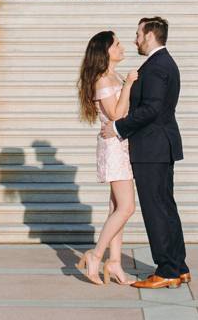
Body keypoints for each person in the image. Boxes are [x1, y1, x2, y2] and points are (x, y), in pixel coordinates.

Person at [102, 15, 190, 289]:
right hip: (161, 145)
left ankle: (166, 270)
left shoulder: (155, 67)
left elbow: (151, 109)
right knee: (165, 206)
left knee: (155, 210)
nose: (135, 39)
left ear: (150, 35)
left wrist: (118, 127)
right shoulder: (164, 63)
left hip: (151, 148)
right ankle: (179, 266)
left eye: (138, 34)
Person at [75, 30, 139, 285]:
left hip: (121, 144)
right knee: (127, 207)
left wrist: (126, 83)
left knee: (116, 207)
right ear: (106, 51)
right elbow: (115, 114)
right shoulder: (103, 80)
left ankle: (114, 262)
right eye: (117, 44)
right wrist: (130, 85)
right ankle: (96, 254)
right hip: (114, 147)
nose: (122, 47)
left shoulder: (113, 75)